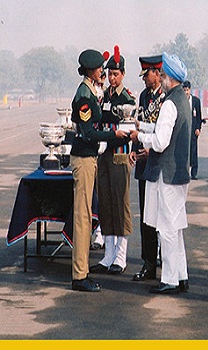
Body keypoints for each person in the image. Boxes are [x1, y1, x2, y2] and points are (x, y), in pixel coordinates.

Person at [70, 49, 131, 292]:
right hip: (84, 157)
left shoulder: (91, 92)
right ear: (90, 70)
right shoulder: (85, 95)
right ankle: (79, 275)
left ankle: (82, 270)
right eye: (100, 69)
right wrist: (112, 135)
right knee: (83, 218)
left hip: (89, 157)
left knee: (86, 216)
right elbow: (88, 132)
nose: (103, 73)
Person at [131, 52, 192, 294]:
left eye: (163, 75)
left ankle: (169, 279)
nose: (162, 78)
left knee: (166, 228)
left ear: (168, 78)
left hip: (165, 174)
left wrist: (140, 136)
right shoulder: (182, 100)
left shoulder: (168, 103)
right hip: (178, 173)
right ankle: (181, 274)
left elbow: (160, 142)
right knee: (176, 228)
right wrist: (147, 129)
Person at [91, 46, 136, 275]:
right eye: (109, 74)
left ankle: (121, 255)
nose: (112, 78)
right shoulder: (103, 96)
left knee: (121, 204)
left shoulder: (127, 98)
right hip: (104, 154)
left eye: (116, 74)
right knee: (106, 204)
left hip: (120, 154)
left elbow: (131, 128)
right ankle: (108, 255)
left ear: (123, 74)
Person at [132, 54, 165, 283]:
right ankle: (148, 263)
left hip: (159, 163)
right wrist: (134, 148)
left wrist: (151, 149)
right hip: (144, 163)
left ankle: (166, 261)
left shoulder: (166, 98)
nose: (144, 79)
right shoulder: (144, 96)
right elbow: (139, 121)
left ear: (156, 73)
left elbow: (164, 133)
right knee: (146, 216)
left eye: (147, 74)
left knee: (162, 216)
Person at [186, 81, 203, 179]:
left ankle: (194, 173)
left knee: (194, 151)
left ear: (190, 90)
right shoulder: (181, 100)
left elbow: (199, 116)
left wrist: (198, 128)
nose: (186, 92)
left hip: (193, 130)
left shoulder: (196, 101)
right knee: (185, 151)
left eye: (187, 90)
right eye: (184, 90)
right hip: (184, 131)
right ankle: (185, 171)